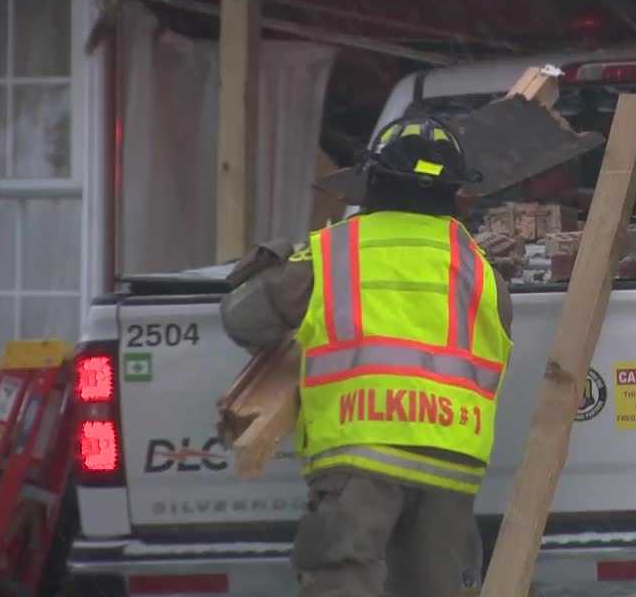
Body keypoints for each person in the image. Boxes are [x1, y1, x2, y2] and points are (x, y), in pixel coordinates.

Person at [220, 110, 514, 597]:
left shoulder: (333, 252)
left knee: (342, 580)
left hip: (361, 452)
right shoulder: (482, 271)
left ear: (373, 179)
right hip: (451, 462)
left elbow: (243, 319)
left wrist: (269, 266)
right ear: (455, 193)